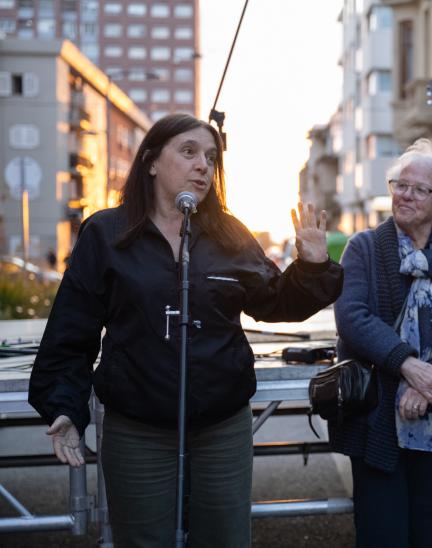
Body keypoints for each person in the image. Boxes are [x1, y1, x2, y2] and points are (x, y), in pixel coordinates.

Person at [28, 113, 343, 547]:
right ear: (152, 162)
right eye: (189, 152)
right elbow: (70, 332)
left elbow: (276, 303)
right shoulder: (107, 232)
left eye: (210, 158)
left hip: (221, 426)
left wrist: (311, 267)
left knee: (225, 540)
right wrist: (63, 407)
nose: (203, 166)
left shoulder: (230, 234)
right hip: (137, 428)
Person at [330, 139, 432, 547]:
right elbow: (353, 317)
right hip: (378, 416)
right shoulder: (364, 248)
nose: (405, 194)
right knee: (382, 533)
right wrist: (408, 365)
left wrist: (431, 381)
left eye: (419, 189)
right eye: (400, 184)